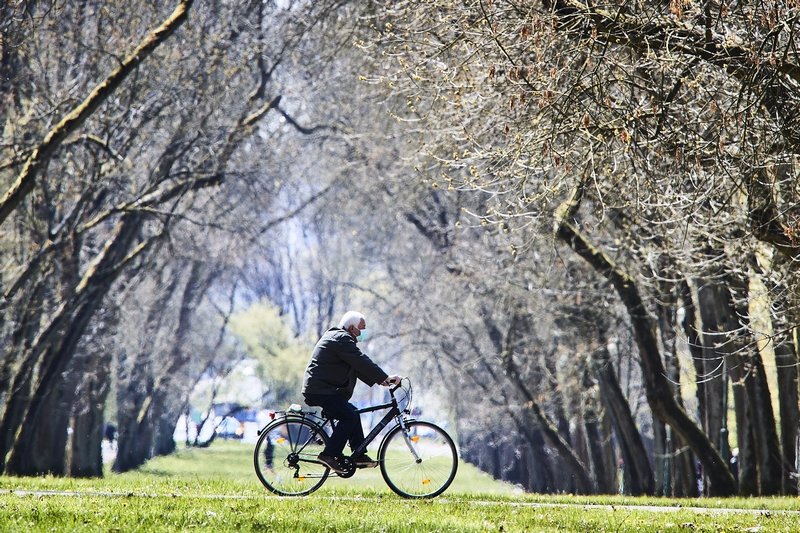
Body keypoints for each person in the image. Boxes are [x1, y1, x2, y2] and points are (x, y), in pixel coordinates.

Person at [302, 310, 400, 473]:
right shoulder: (341, 338)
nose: (363, 332)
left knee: (353, 412)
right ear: (352, 328)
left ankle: (359, 455)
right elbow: (360, 361)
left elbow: (357, 367)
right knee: (349, 416)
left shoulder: (341, 340)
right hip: (320, 390)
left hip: (323, 389)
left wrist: (382, 380)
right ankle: (329, 455)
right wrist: (385, 376)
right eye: (362, 328)